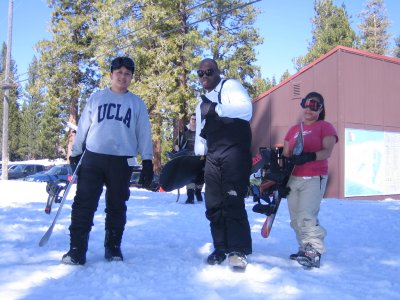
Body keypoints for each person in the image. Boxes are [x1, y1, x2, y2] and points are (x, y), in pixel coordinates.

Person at [62, 56, 154, 265]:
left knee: (117, 205)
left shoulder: (136, 103)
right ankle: (77, 249)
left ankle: (112, 247)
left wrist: (147, 160)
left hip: (122, 161)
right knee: (84, 204)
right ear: (111, 74)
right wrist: (76, 153)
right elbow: (84, 126)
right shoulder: (97, 98)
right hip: (93, 158)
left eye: (127, 74)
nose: (123, 77)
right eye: (119, 72)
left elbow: (144, 134)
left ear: (131, 77)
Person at [194, 58, 253, 269]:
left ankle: (238, 249)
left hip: (235, 154)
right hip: (213, 156)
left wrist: (216, 109)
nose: (204, 77)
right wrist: (198, 160)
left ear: (217, 71)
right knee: (213, 204)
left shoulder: (231, 86)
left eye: (208, 72)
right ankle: (220, 247)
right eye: (200, 73)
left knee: (232, 201)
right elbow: (201, 135)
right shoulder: (201, 100)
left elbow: (246, 110)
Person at [282, 91, 338, 269]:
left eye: (315, 105)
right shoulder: (293, 130)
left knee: (307, 215)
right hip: (293, 178)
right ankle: (304, 247)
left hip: (314, 176)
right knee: (295, 218)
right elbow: (285, 155)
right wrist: (279, 177)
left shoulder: (325, 127)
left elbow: (327, 151)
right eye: (307, 103)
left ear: (321, 109)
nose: (309, 109)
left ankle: (314, 250)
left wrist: (309, 156)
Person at [173, 113, 204, 204]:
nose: (193, 121)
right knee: (190, 176)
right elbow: (176, 144)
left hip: (199, 157)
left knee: (201, 175)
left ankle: (198, 191)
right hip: (188, 157)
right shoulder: (184, 132)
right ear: (190, 120)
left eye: (195, 119)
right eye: (192, 119)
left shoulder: (201, 132)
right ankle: (190, 196)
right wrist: (177, 147)